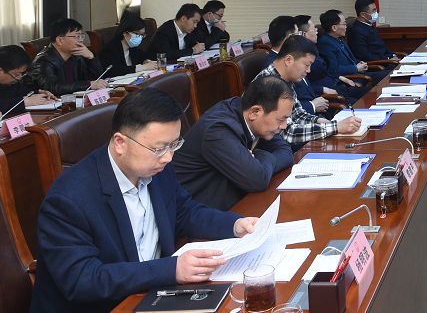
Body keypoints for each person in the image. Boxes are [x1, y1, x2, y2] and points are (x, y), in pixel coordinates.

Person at [30, 88, 260, 313]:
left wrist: (233, 225)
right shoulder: (67, 200)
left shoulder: (155, 166)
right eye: (159, 148)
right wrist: (170, 270)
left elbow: (183, 211)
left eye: (174, 145)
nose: (168, 157)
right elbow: (83, 280)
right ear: (120, 142)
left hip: (153, 296)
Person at [172, 74, 295, 210]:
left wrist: (258, 160)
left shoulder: (254, 120)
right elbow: (257, 180)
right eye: (280, 119)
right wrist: (261, 160)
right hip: (197, 210)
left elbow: (286, 152)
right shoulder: (218, 130)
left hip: (232, 200)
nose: (284, 126)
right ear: (254, 112)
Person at [255, 35, 361, 148]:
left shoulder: (284, 79)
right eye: (306, 65)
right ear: (288, 60)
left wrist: (319, 121)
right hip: (271, 148)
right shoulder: (269, 85)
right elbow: (288, 133)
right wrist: (336, 127)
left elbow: (297, 115)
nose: (309, 70)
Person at [25, 18, 108, 97]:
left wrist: (91, 58)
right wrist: (88, 84)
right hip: (45, 104)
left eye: (81, 36)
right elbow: (52, 87)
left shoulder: (77, 55)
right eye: (77, 36)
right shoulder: (43, 61)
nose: (81, 40)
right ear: (59, 40)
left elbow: (96, 80)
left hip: (72, 100)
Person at [315, 10, 371, 100]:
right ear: (334, 27)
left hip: (358, 74)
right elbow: (333, 69)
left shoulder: (339, 38)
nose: (346, 27)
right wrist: (356, 68)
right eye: (344, 24)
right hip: (350, 79)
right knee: (377, 89)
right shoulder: (325, 43)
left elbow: (350, 59)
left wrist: (361, 63)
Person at [347, 0, 399, 78]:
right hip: (376, 67)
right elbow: (365, 56)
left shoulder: (369, 26)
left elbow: (382, 46)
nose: (376, 13)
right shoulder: (357, 31)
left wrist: (393, 55)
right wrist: (388, 58)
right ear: (363, 14)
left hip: (384, 61)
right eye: (373, 11)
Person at [0, 45, 57, 116]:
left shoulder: (12, 82)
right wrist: (24, 102)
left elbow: (22, 93)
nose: (20, 77)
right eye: (17, 74)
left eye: (22, 73)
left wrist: (38, 94)